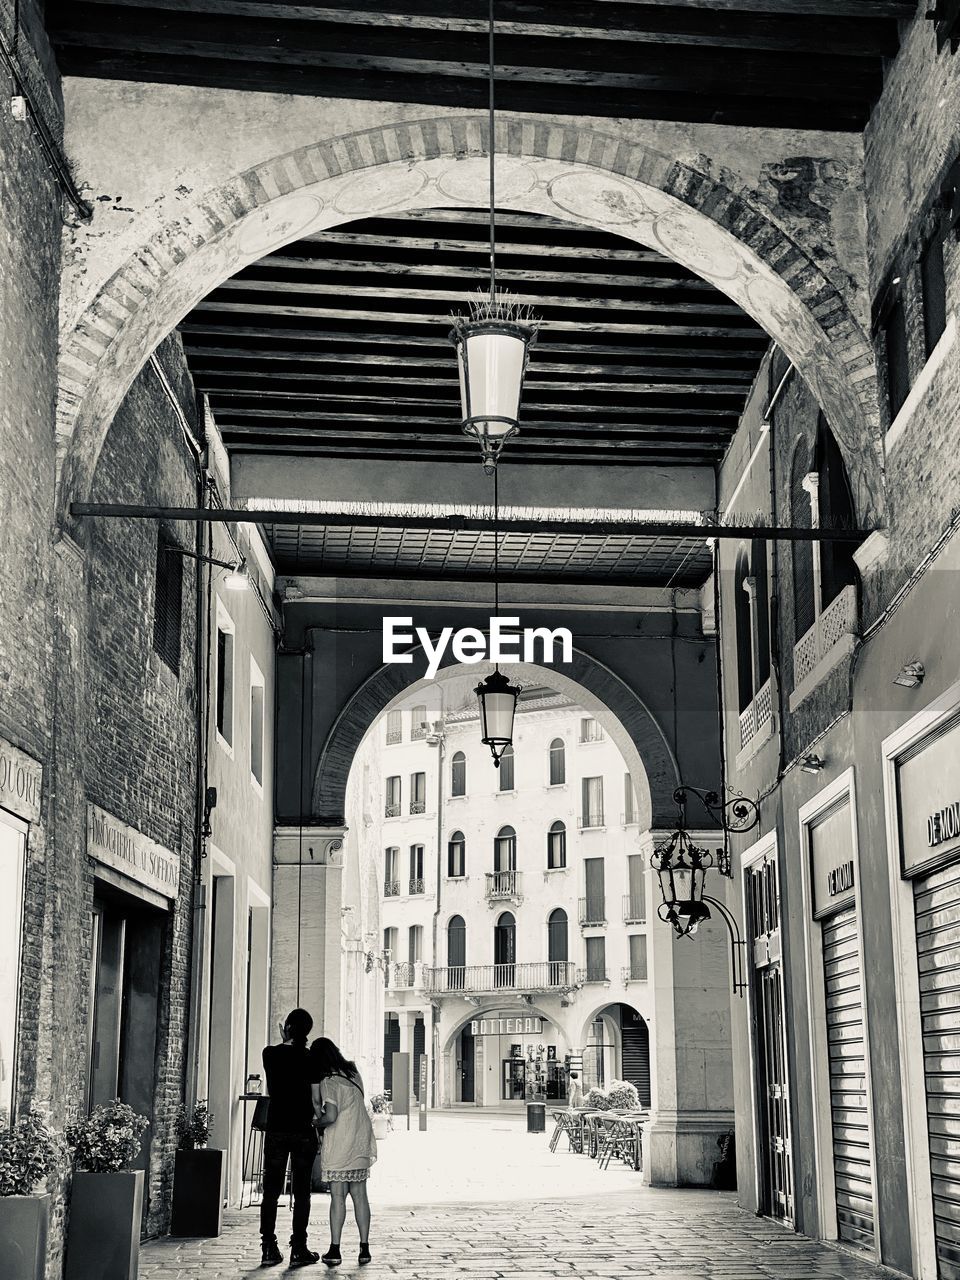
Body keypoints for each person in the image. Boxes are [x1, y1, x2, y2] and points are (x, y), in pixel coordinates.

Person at [259, 1008, 321, 1269]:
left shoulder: (269, 1054)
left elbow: (280, 1054)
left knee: (271, 1191)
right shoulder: (311, 1059)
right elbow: (316, 1100)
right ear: (307, 1032)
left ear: (287, 1028)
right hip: (303, 1130)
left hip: (276, 1129)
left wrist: (282, 1036)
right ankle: (298, 1247)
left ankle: (268, 1247)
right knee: (302, 1192)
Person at [309, 1037, 377, 1268]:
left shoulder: (329, 1082)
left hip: (340, 1142)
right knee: (360, 1196)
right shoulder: (353, 1072)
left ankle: (335, 1249)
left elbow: (331, 1116)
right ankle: (364, 1248)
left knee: (338, 1197)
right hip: (360, 1139)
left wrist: (315, 1122)